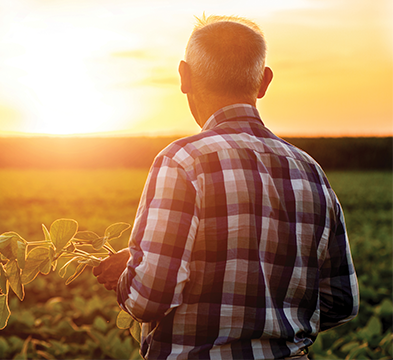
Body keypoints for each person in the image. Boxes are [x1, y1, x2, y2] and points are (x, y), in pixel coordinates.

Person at [91, 16, 359, 359]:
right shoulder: (311, 171)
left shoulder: (182, 161)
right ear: (264, 82)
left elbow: (150, 297)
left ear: (184, 77)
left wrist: (131, 274)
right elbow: (341, 301)